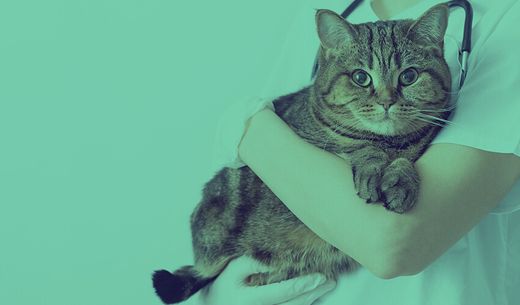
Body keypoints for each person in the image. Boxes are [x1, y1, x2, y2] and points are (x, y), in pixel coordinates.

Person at [186, 0, 520, 304]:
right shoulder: (326, 12)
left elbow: (393, 246)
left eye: (408, 77)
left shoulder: (508, 21)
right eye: (361, 78)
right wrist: (216, 296)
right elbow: (261, 176)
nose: (386, 99)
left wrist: (247, 126)